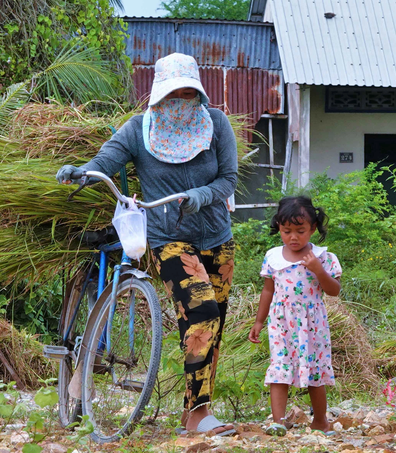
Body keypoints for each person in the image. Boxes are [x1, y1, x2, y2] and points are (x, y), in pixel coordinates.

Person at [56, 52, 238, 435]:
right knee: (202, 310)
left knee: (209, 326)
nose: (181, 101)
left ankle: (196, 414)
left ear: (199, 94)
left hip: (217, 238)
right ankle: (200, 416)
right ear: (158, 95)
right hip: (166, 239)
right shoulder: (138, 130)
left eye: (189, 93)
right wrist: (83, 173)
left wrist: (199, 196)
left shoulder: (217, 125)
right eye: (173, 93)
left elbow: (228, 180)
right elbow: (106, 160)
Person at [248, 196, 342, 436]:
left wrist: (318, 270)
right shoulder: (273, 257)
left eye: (300, 231)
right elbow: (268, 289)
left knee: (314, 373)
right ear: (278, 227)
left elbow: (334, 291)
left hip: (312, 325)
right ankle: (278, 422)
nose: (293, 237)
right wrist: (259, 321)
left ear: (312, 228)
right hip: (281, 323)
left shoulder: (323, 258)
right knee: (280, 369)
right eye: (286, 230)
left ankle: (320, 420)